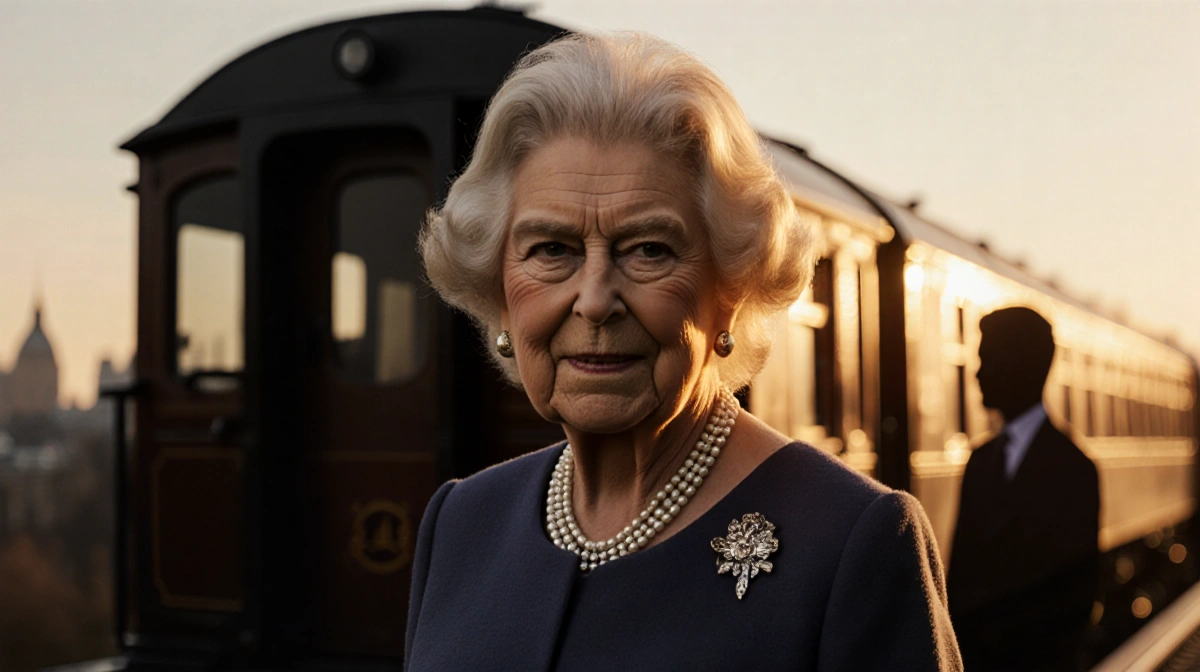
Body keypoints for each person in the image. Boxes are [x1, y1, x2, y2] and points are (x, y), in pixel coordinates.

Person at [406, 31, 961, 671]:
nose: (594, 301)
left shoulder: (852, 542)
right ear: (500, 295)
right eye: (551, 250)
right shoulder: (460, 523)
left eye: (648, 250)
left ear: (731, 287)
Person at [948, 306, 1100, 672]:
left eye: (986, 360)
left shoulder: (1075, 470)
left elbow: (1076, 597)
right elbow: (959, 577)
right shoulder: (979, 462)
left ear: (1022, 367)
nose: (978, 374)